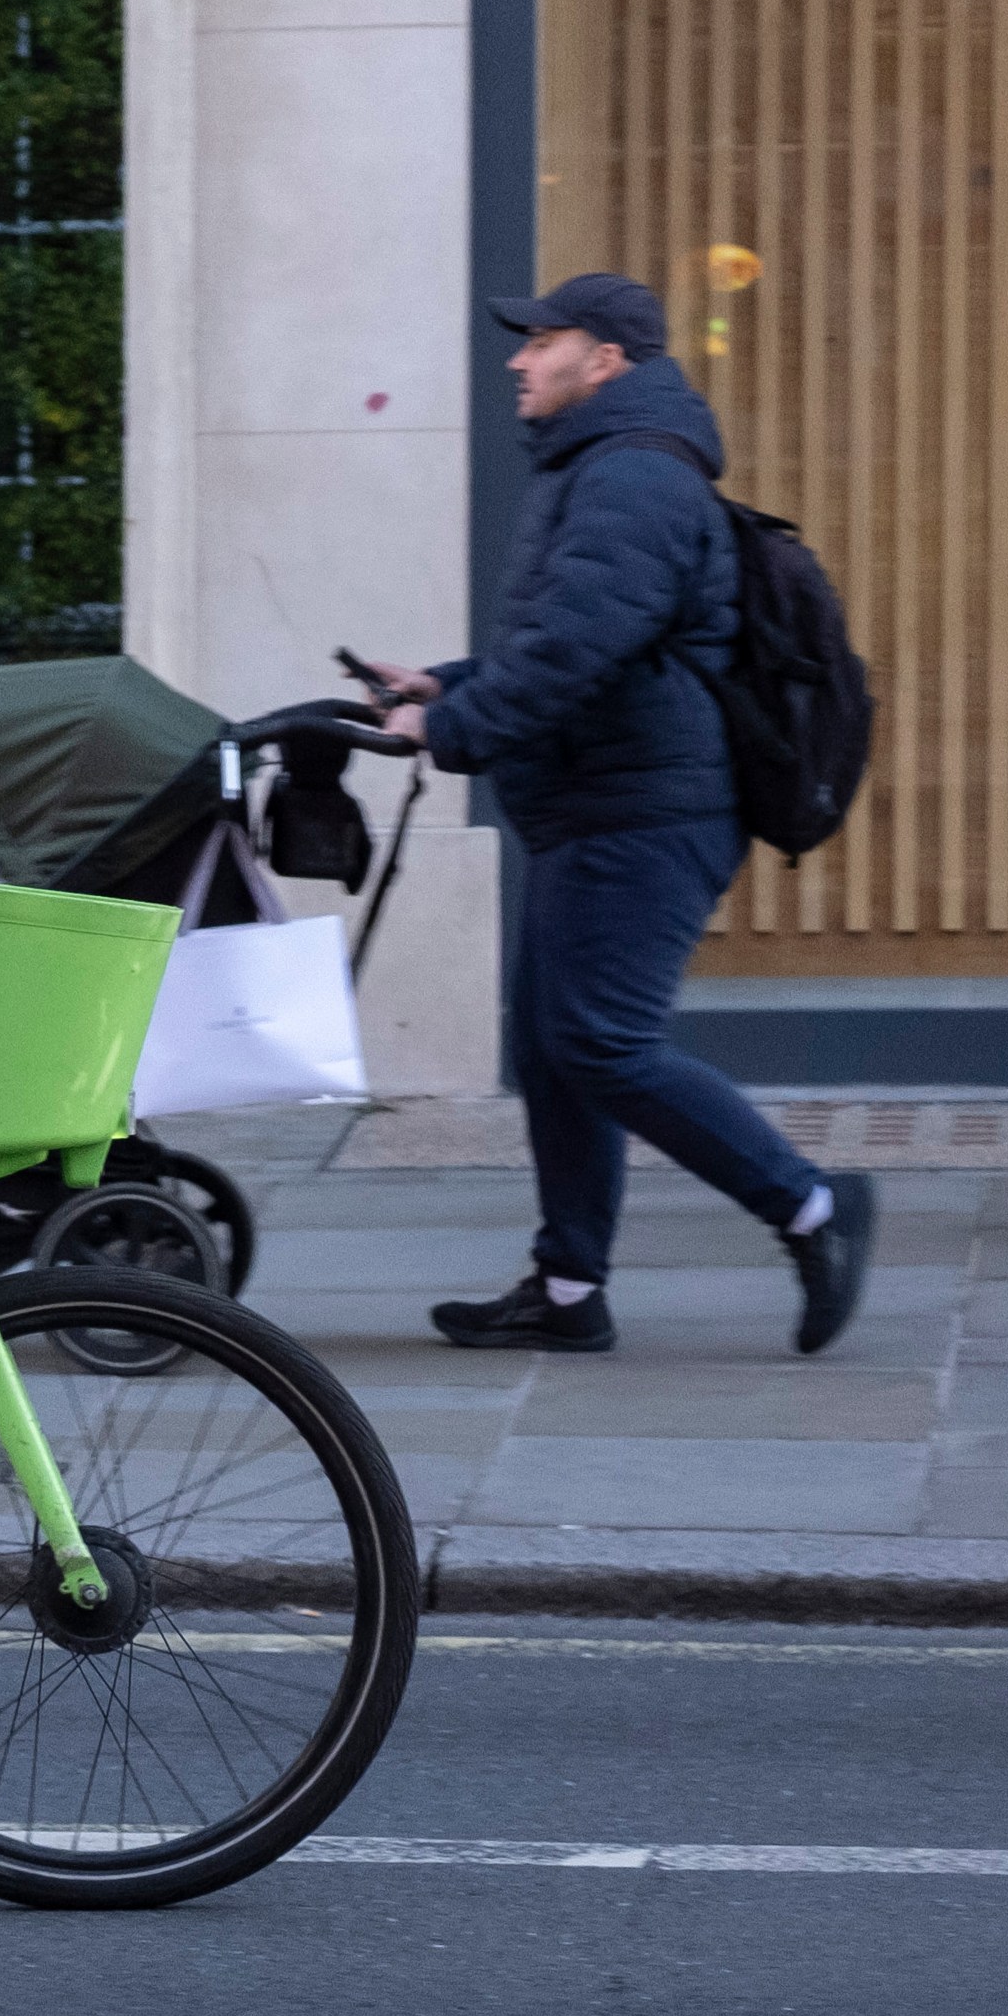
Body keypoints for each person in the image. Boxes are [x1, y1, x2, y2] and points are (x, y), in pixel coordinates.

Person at [359, 270, 875, 1357]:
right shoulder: (601, 467)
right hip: (598, 804)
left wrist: (446, 731)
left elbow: (578, 651)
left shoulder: (632, 477)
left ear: (603, 362)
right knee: (553, 1049)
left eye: (539, 340)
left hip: (644, 812)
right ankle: (564, 1290)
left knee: (600, 1040)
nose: (516, 358)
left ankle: (810, 1205)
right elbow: (584, 640)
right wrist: (447, 686)